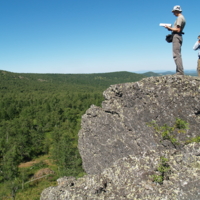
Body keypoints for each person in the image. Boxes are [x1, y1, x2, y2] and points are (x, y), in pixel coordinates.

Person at [164, 5, 186, 75]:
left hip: (176, 36)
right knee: (177, 54)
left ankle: (180, 72)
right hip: (178, 36)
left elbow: (178, 29)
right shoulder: (182, 18)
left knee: (176, 54)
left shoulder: (180, 18)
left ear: (177, 11)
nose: (173, 13)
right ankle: (179, 71)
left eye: (174, 12)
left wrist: (169, 28)